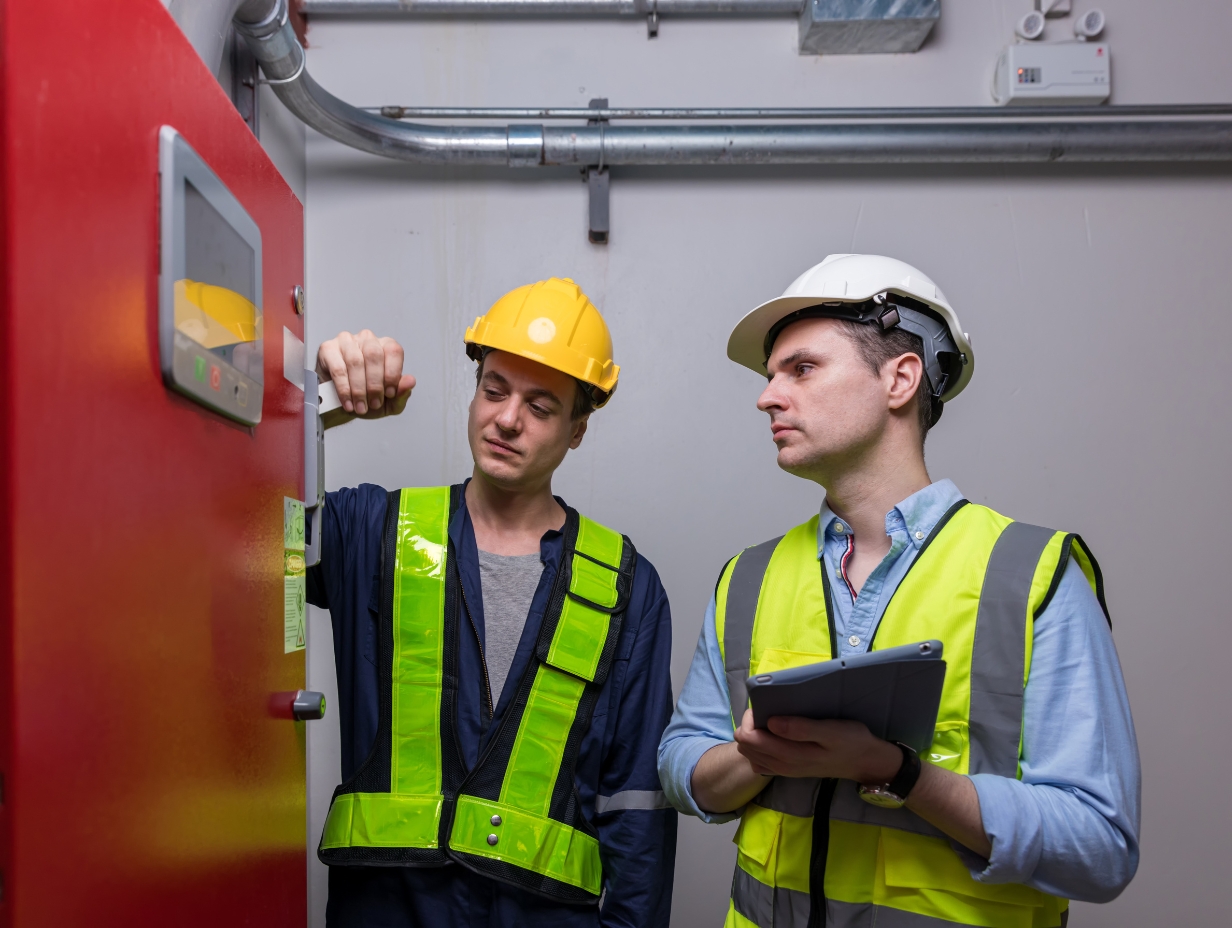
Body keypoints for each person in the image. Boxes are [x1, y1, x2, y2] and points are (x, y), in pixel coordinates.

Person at [657, 254, 1140, 928]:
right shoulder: (749, 577)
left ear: (900, 379)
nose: (767, 396)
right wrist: (754, 758)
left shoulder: (1030, 576)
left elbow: (1101, 846)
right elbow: (681, 762)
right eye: (771, 376)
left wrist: (901, 774)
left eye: (801, 368)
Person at [308, 277, 676, 928]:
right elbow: (231, 540)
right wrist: (309, 408)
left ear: (578, 429)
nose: (507, 419)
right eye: (495, 389)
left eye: (540, 405)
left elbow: (635, 807)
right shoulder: (371, 531)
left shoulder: (624, 584)